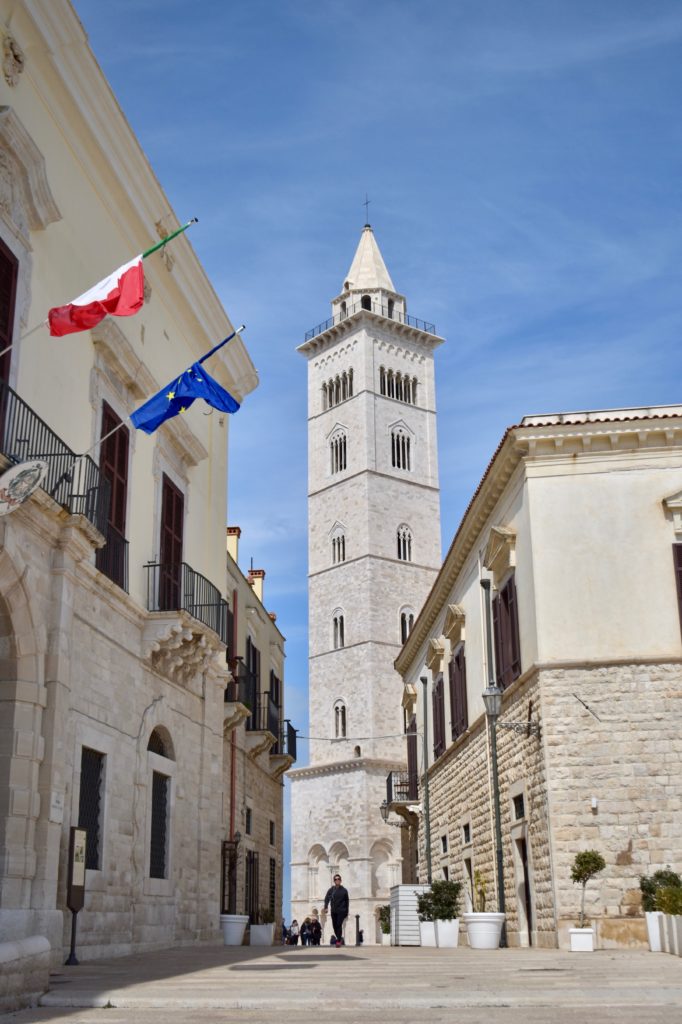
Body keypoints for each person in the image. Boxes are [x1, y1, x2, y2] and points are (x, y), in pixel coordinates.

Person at [323, 873, 349, 947]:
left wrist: (346, 911)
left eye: (338, 879)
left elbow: (347, 901)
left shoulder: (344, 890)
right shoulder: (331, 890)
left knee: (338, 924)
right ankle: (339, 938)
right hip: (333, 910)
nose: (337, 880)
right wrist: (326, 906)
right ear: (334, 881)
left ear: (340, 880)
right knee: (334, 925)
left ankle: (338, 941)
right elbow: (327, 898)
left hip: (341, 910)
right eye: (335, 879)